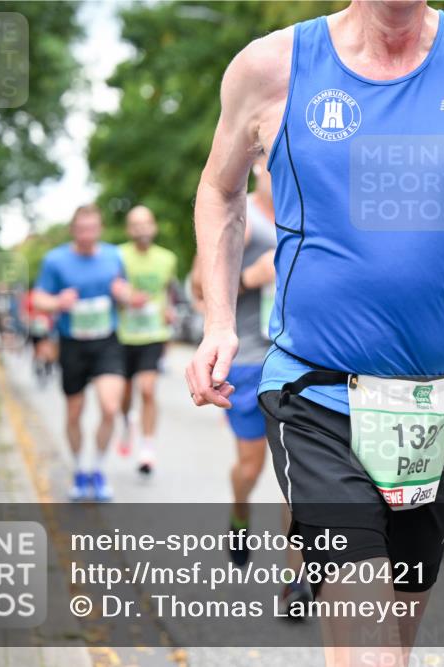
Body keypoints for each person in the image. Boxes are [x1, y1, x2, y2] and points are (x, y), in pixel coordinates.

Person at [185, 2, 444, 663]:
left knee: (396, 637)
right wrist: (218, 321)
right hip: (316, 391)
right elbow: (220, 190)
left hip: (440, 403)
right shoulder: (272, 66)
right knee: (368, 624)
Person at [189, 156, 311, 612]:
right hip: (250, 363)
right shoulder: (244, 218)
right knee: (251, 468)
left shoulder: (312, 219)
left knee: (296, 474)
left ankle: (294, 579)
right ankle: (240, 511)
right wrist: (249, 277)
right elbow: (200, 285)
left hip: (300, 362)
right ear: (261, 168)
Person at [33, 204, 138, 502]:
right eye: (81, 230)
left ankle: (99, 470)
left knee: (109, 407)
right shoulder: (55, 261)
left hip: (107, 341)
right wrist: (57, 303)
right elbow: (38, 298)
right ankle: (79, 469)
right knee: (74, 413)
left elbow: (126, 292)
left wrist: (125, 295)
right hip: (73, 344)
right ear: (73, 230)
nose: (87, 235)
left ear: (100, 229)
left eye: (92, 229)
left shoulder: (113, 256)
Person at [116, 205, 178, 476]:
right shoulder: (117, 256)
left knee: (148, 389)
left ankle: (148, 447)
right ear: (129, 229)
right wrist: (127, 296)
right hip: (123, 334)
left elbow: (167, 291)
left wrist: (168, 310)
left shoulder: (167, 258)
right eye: (135, 224)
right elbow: (112, 286)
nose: (141, 228)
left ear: (154, 227)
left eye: (146, 223)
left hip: (153, 334)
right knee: (125, 393)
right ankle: (128, 419)